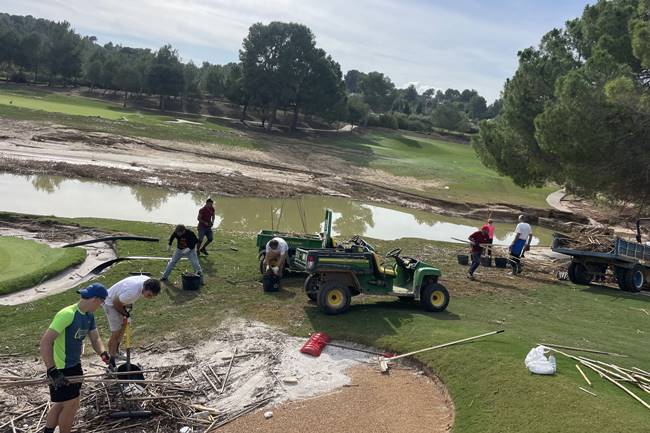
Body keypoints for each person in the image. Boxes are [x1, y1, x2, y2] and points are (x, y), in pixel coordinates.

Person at [40, 283, 110, 433]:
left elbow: (95, 338)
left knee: (61, 404)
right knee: (71, 405)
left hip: (74, 366)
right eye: (102, 302)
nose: (101, 305)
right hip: (60, 369)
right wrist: (52, 370)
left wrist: (103, 354)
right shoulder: (67, 314)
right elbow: (46, 341)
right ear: (96, 299)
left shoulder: (89, 316)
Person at [103, 276, 161, 366]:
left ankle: (116, 352)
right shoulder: (132, 293)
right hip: (109, 302)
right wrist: (125, 313)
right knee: (116, 331)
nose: (150, 298)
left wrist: (126, 311)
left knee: (125, 325)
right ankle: (111, 360)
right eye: (149, 295)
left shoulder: (148, 281)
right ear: (144, 288)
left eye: (153, 296)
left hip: (121, 300)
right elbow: (115, 302)